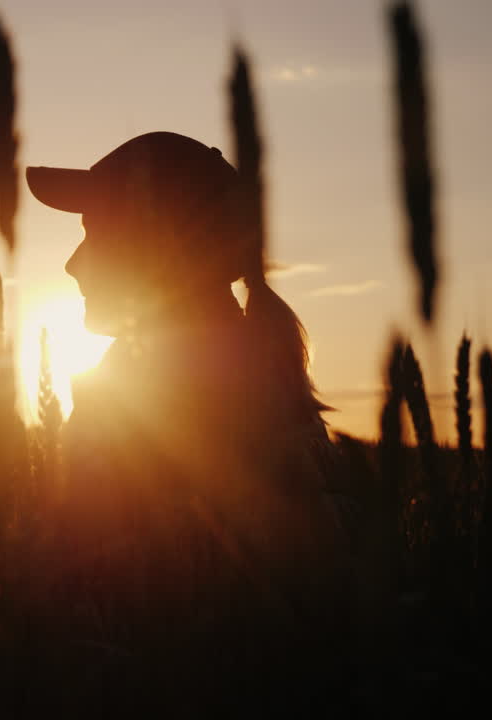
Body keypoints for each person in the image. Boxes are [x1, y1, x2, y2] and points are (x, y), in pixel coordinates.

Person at [24, 131, 350, 714]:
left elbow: (103, 611)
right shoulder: (248, 376)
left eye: (95, 232)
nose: (72, 263)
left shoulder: (162, 404)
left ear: (159, 248)